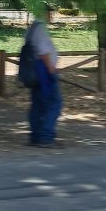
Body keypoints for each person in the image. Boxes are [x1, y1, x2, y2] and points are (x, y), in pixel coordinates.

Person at [25, 17, 62, 146]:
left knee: (37, 105)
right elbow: (43, 52)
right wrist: (51, 70)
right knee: (54, 103)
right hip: (43, 71)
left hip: (36, 71)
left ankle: (36, 136)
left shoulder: (32, 28)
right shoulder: (40, 28)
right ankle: (46, 136)